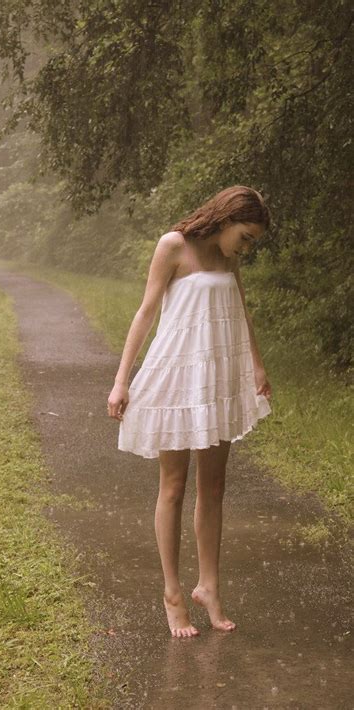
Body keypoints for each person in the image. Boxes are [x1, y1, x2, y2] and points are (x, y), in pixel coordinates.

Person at [107, 185, 273, 639]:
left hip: (217, 381)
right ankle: (173, 594)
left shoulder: (228, 256)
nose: (246, 246)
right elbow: (145, 313)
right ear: (225, 218)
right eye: (245, 236)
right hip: (176, 379)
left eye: (251, 241)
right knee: (174, 486)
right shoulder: (173, 246)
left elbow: (239, 309)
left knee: (214, 486)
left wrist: (255, 365)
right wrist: (122, 380)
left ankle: (210, 588)